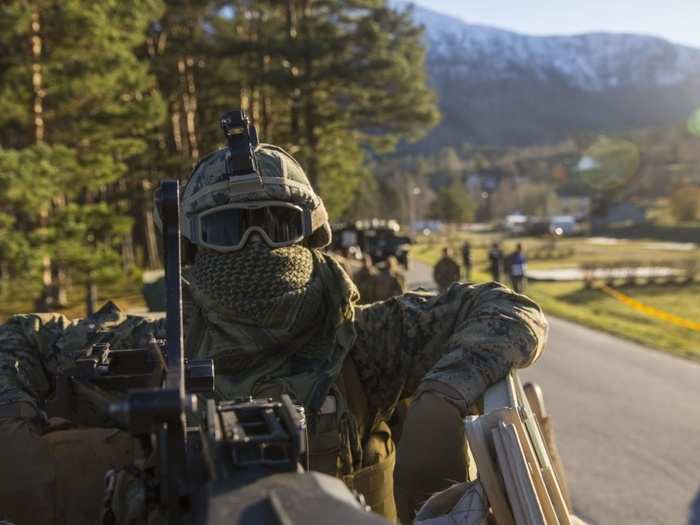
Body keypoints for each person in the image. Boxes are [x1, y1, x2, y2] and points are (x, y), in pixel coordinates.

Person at [0, 134, 547, 525]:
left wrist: (442, 396)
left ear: (311, 235)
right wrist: (15, 432)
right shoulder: (152, 351)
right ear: (192, 247)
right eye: (228, 229)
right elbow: (18, 338)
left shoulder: (368, 341)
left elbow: (508, 311)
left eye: (278, 223)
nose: (255, 243)